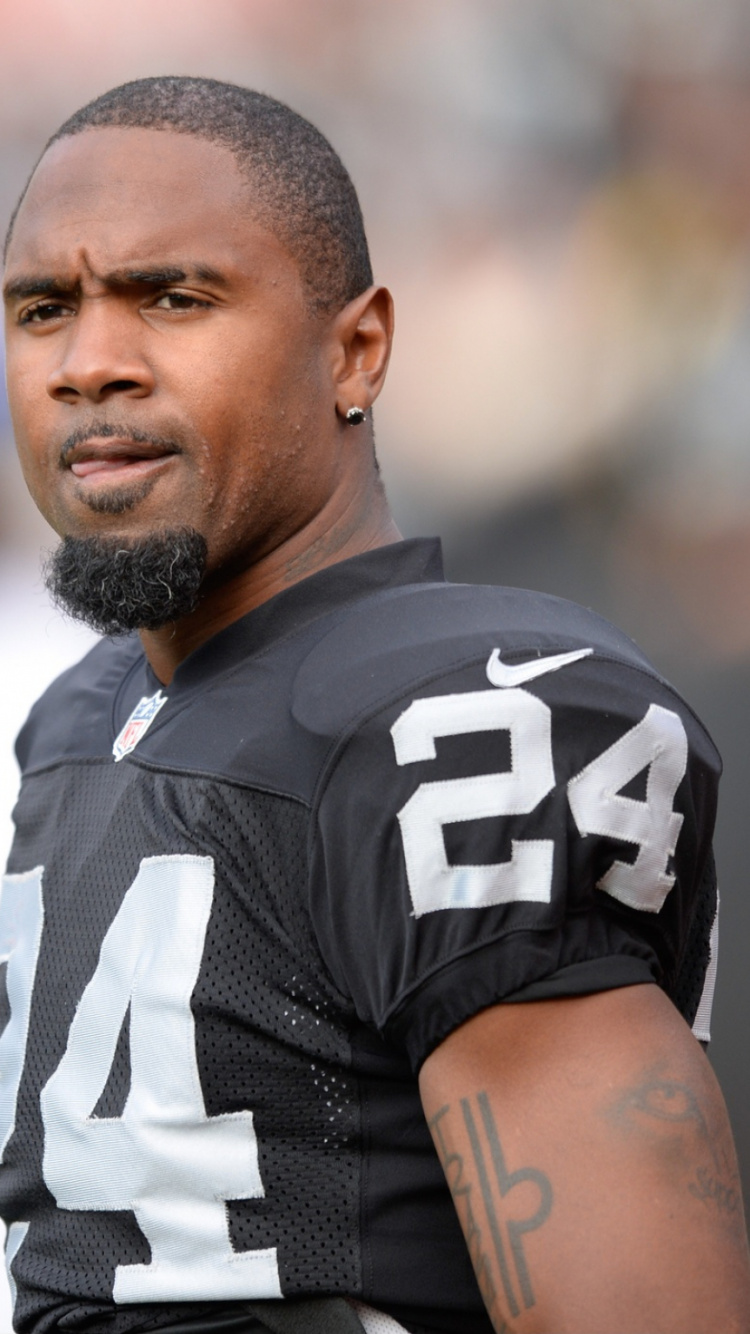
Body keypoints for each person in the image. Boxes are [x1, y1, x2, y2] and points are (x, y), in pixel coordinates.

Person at [1, 76, 748, 1334]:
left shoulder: (460, 721)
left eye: (173, 298)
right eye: (43, 309)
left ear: (355, 351)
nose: (90, 364)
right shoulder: (85, 716)